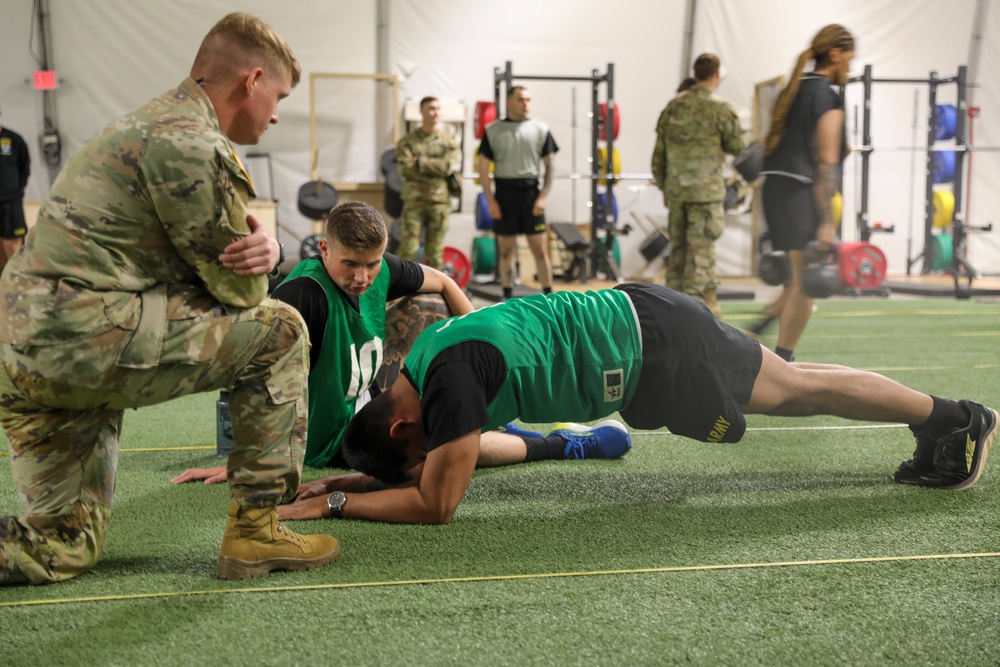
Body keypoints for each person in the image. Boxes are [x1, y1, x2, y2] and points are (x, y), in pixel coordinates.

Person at [0, 12, 343, 585]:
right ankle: (256, 533)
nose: (277, 113)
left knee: (59, 545)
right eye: (278, 95)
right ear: (251, 80)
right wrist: (269, 247)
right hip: (80, 340)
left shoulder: (149, 123)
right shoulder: (193, 144)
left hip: (23, 353)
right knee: (280, 331)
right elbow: (239, 291)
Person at [280, 283, 995, 524]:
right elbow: (425, 471)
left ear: (407, 423)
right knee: (796, 380)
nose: (430, 455)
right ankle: (940, 418)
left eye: (416, 452)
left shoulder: (451, 387)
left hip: (654, 348)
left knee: (796, 390)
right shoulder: (422, 362)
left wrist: (337, 505)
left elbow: (437, 503)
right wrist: (352, 477)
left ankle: (953, 418)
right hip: (640, 317)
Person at [175, 201, 632, 487]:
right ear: (324, 249)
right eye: (349, 264)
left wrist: (481, 342)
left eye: (371, 265)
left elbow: (445, 281)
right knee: (444, 452)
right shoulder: (303, 296)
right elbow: (260, 379)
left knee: (426, 310)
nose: (361, 277)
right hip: (335, 437)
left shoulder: (380, 269)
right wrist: (249, 458)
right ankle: (564, 445)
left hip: (371, 398)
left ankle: (488, 417)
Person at [750, 25, 855, 359]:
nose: (849, 68)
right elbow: (826, 161)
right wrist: (826, 220)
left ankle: (753, 336)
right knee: (806, 284)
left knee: (795, 283)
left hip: (775, 190)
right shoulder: (827, 95)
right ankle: (780, 360)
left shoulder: (794, 89)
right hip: (800, 193)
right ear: (835, 54)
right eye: (849, 59)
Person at [651, 53, 744, 317]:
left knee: (678, 252)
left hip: (678, 193)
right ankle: (695, 316)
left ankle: (670, 311)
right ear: (716, 75)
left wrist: (666, 188)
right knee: (700, 254)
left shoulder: (673, 107)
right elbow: (737, 146)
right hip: (706, 194)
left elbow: (659, 155)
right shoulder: (721, 108)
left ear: (695, 73)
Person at [477, 86, 558, 300]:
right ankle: (507, 296)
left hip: (531, 193)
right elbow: (483, 168)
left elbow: (551, 166)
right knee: (505, 251)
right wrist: (490, 200)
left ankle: (550, 296)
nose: (526, 104)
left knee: (540, 250)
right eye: (521, 99)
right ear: (509, 102)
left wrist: (543, 197)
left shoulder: (541, 129)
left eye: (529, 99)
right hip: (504, 194)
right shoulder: (493, 130)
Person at [395, 96, 460, 269]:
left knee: (435, 251)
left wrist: (420, 163)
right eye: (431, 108)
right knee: (409, 248)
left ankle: (432, 293)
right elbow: (405, 169)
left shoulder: (448, 142)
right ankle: (394, 289)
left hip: (438, 202)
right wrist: (434, 165)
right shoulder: (408, 141)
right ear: (421, 111)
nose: (435, 112)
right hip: (414, 201)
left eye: (438, 108)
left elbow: (447, 167)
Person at [0, 106, 31, 261]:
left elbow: (24, 167)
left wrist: (15, 190)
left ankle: (15, 280)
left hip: (11, 202)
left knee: (12, 244)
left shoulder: (13, 140)